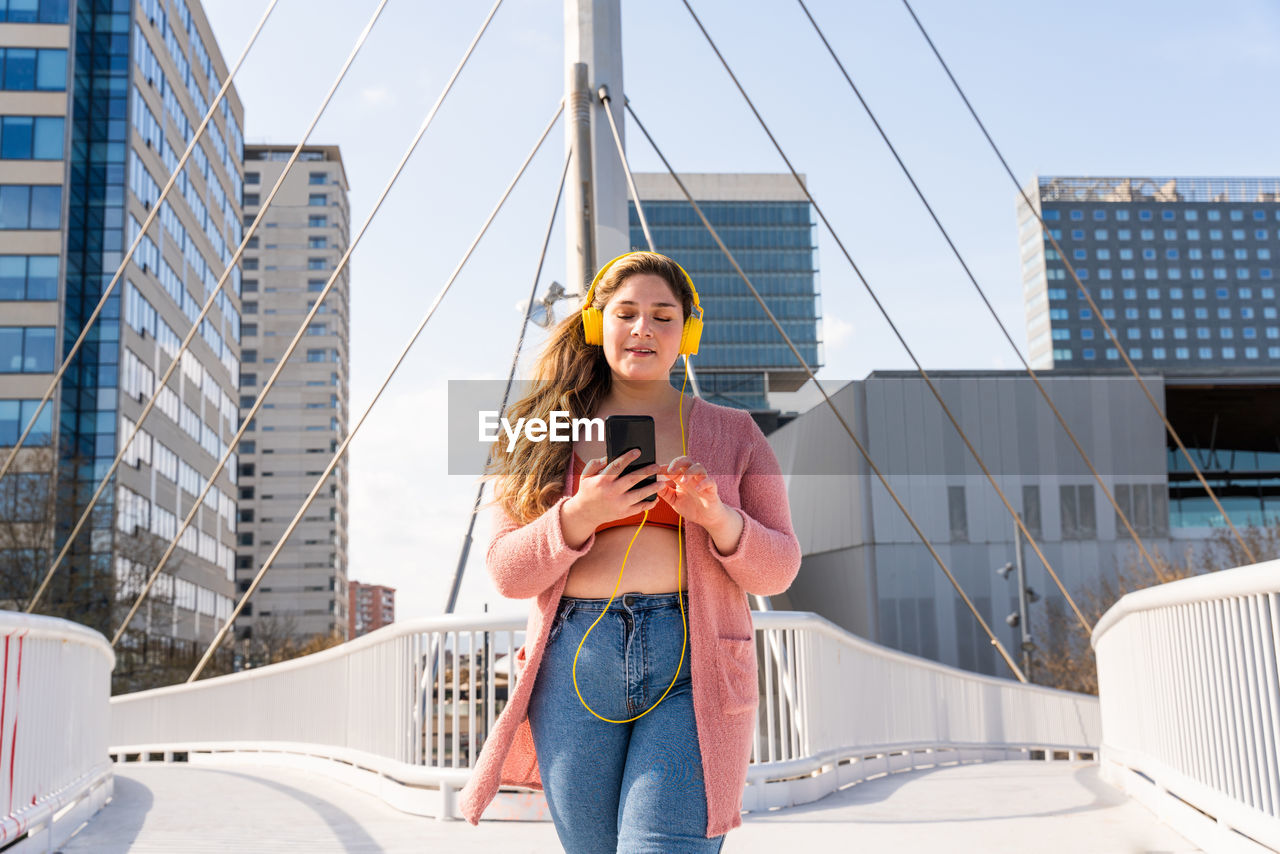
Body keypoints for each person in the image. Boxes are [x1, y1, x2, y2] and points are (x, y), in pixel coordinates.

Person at [458, 251, 801, 852]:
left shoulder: (734, 432)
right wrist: (581, 513)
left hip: (693, 660)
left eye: (664, 316)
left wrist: (717, 517)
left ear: (688, 333)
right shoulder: (542, 428)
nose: (644, 328)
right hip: (572, 665)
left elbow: (779, 568)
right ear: (597, 324)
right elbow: (506, 574)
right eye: (627, 313)